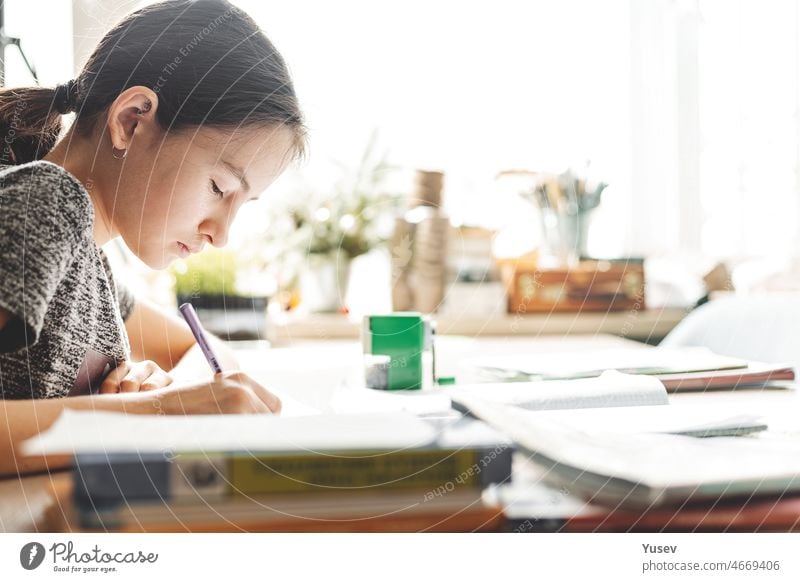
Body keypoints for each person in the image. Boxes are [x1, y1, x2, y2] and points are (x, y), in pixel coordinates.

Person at [0, 0, 306, 476]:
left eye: (239, 206)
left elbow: (206, 354)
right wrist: (160, 414)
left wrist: (160, 391)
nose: (221, 234)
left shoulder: (91, 265)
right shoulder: (47, 203)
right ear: (132, 121)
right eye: (218, 188)